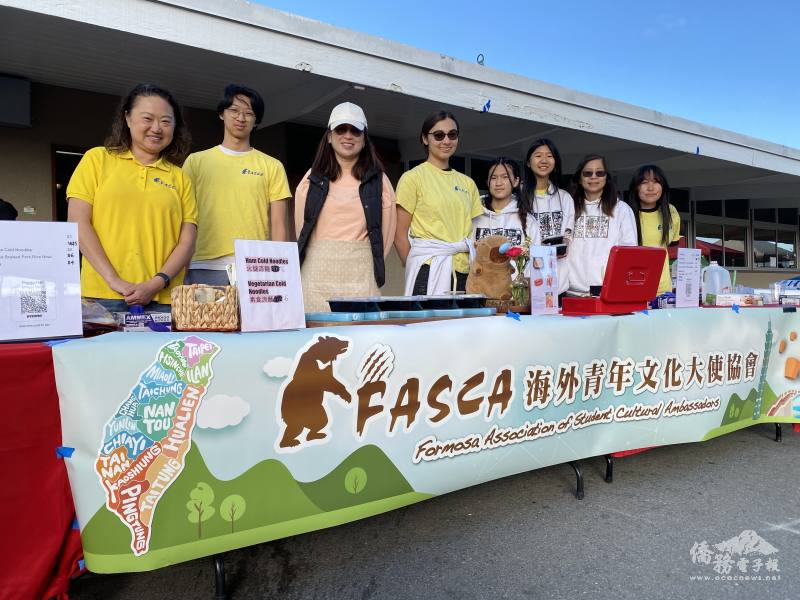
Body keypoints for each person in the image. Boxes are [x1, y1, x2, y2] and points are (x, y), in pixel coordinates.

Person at [67, 83, 197, 311]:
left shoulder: (181, 178)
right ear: (127, 119)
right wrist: (114, 280)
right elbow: (78, 222)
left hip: (163, 300)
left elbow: (186, 242)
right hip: (101, 296)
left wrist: (156, 283)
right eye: (147, 118)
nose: (156, 128)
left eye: (166, 121)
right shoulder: (97, 160)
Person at [183, 84, 290, 285]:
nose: (241, 118)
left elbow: (278, 226)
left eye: (249, 113)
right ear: (222, 114)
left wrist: (279, 270)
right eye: (234, 110)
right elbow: (183, 218)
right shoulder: (196, 161)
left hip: (254, 265)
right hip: (203, 264)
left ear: (256, 120)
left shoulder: (272, 166)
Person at [294, 102, 397, 312]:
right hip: (316, 276)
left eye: (355, 130)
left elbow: (386, 235)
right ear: (330, 137)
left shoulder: (380, 181)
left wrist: (364, 259)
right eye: (341, 129)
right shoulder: (311, 179)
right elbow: (301, 229)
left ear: (364, 138)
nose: (348, 136)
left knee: (362, 339)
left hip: (361, 276)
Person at [395, 111, 483, 295]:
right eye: (438, 135)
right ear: (425, 139)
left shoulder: (468, 183)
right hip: (428, 267)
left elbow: (474, 232)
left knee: (462, 323)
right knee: (428, 323)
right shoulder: (413, 178)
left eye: (452, 134)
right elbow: (399, 234)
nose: (446, 141)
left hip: (464, 269)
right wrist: (415, 263)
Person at [567, 154, 637, 295]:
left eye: (600, 173)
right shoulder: (568, 208)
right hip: (570, 292)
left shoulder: (622, 209)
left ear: (607, 178)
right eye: (587, 173)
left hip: (606, 293)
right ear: (580, 179)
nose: (594, 177)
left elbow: (629, 253)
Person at [471, 157, 540, 274]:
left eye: (505, 177)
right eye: (493, 178)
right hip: (480, 289)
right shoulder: (475, 216)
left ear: (516, 181)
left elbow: (536, 261)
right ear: (487, 182)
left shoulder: (528, 221)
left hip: (515, 290)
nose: (498, 183)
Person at [522, 138, 574, 294]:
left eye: (549, 156)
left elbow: (568, 233)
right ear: (528, 162)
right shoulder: (518, 197)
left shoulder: (564, 198)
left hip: (558, 281)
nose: (544, 160)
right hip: (527, 282)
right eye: (538, 155)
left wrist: (564, 242)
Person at [627, 164, 681, 294]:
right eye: (644, 182)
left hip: (663, 290)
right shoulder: (625, 213)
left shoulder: (671, 212)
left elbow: (671, 246)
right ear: (636, 187)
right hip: (632, 288)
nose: (650, 188)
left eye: (656, 182)